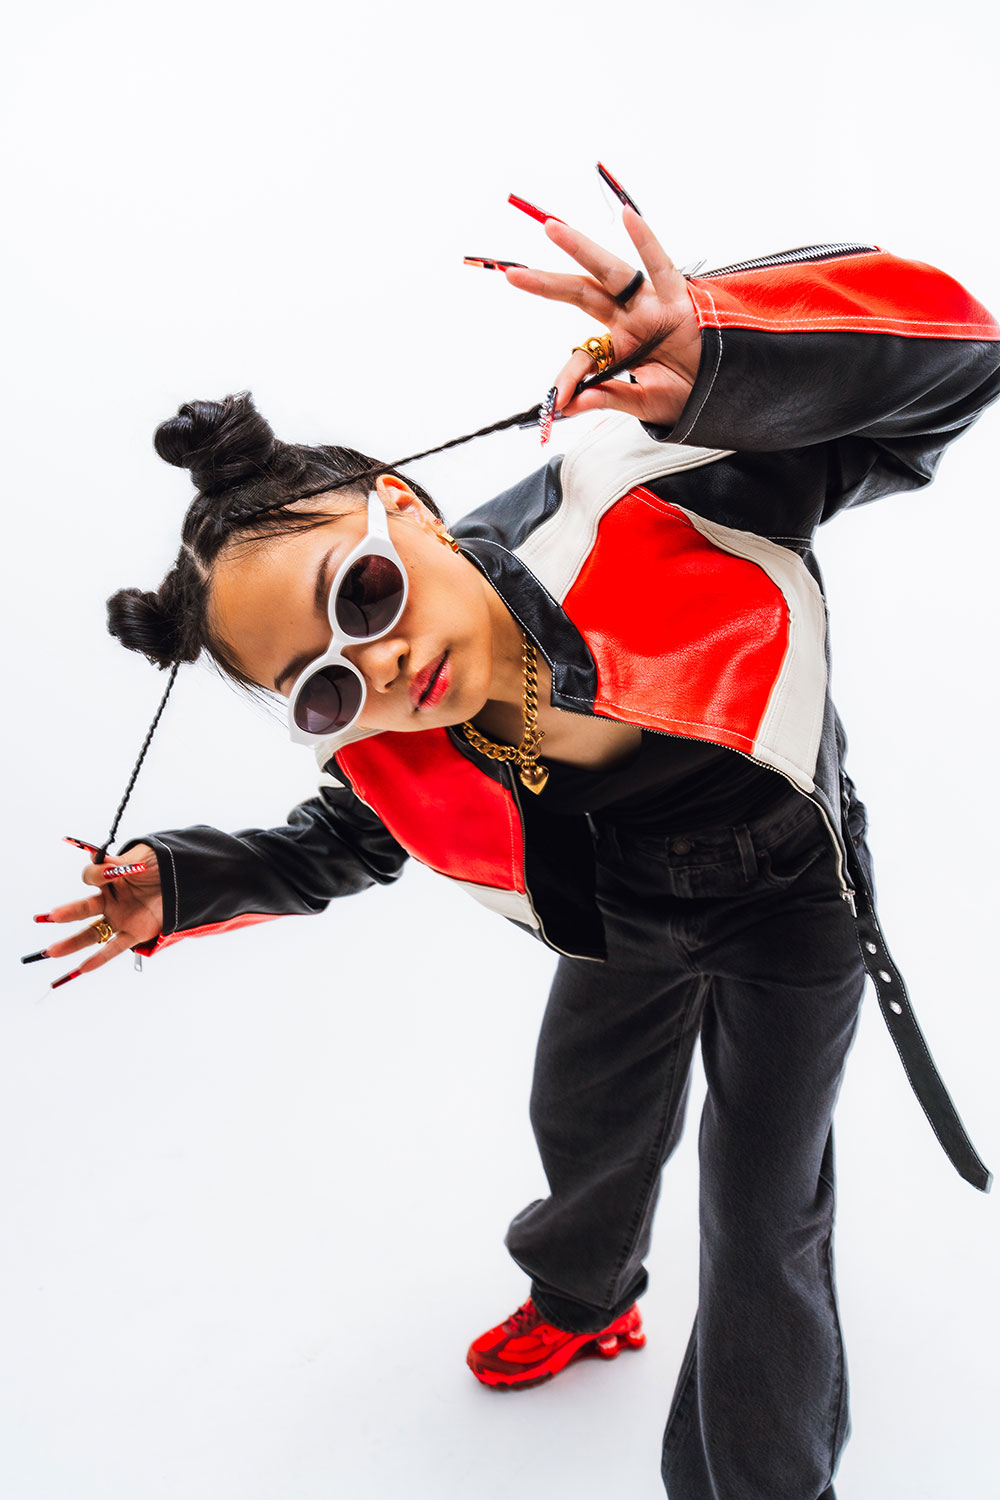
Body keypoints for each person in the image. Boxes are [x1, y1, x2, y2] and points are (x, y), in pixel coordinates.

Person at [26, 197, 1000, 1500]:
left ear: (402, 506)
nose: (379, 668)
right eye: (324, 687)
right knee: (583, 1114)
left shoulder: (649, 493)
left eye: (363, 594)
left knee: (764, 1216)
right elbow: (342, 840)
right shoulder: (395, 741)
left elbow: (959, 364)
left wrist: (720, 353)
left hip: (784, 899)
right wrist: (186, 882)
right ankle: (585, 1298)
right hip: (615, 905)